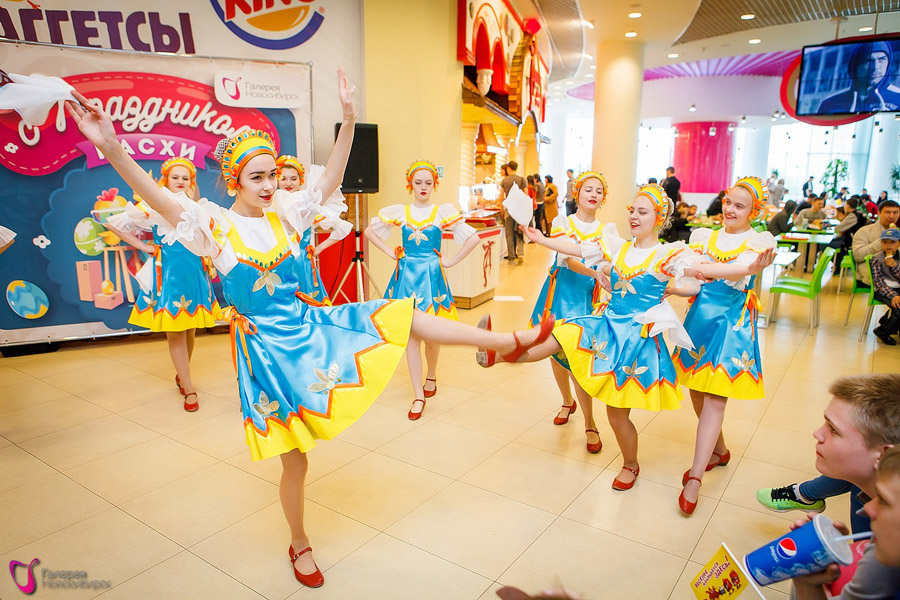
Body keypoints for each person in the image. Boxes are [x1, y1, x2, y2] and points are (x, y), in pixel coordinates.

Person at [67, 73, 554, 589]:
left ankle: (505, 343)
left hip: (309, 327)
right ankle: (299, 541)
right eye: (256, 177)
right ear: (234, 182)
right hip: (265, 354)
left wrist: (348, 118)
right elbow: (157, 196)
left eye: (271, 175)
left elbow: (332, 178)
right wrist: (112, 146)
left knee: (400, 314)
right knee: (295, 463)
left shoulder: (289, 216)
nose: (269, 185)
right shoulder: (214, 228)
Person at [512, 184, 773, 493]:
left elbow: (705, 270)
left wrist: (749, 267)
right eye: (632, 210)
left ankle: (684, 473)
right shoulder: (633, 244)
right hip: (650, 323)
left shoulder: (674, 252)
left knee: (707, 399)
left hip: (707, 328)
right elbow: (579, 250)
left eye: (642, 211)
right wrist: (541, 238)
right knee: (564, 335)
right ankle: (505, 351)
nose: (729, 209)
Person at [672, 176, 777, 515]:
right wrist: (679, 282)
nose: (730, 209)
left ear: (753, 211)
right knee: (697, 390)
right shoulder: (705, 236)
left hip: (732, 323)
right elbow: (690, 275)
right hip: (700, 317)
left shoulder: (759, 241)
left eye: (740, 206)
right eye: (729, 201)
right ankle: (719, 450)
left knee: (716, 397)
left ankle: (695, 478)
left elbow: (737, 270)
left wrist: (702, 268)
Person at [365, 160, 481, 420]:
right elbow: (370, 232)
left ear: (434, 184)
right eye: (418, 182)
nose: (423, 187)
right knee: (411, 337)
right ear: (410, 185)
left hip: (432, 278)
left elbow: (473, 238)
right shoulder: (402, 212)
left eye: (428, 182)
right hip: (406, 278)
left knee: (432, 336)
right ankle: (418, 395)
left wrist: (449, 262)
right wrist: (392, 254)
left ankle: (431, 374)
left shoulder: (442, 212)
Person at [105, 156, 221, 412]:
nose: (180, 181)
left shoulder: (196, 207)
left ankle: (183, 375)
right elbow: (114, 224)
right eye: (175, 176)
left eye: (185, 177)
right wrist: (143, 245)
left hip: (194, 273)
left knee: (190, 328)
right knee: (175, 330)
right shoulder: (154, 204)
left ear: (191, 181)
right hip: (168, 275)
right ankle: (189, 387)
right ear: (165, 179)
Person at [784, 374, 900, 600]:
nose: (817, 434)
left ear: (883, 455)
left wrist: (806, 583)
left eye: (834, 429)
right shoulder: (881, 515)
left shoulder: (889, 537)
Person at [529, 171, 611, 453]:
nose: (593, 194)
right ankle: (567, 401)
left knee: (579, 361)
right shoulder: (563, 222)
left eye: (599, 191)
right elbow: (567, 259)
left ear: (603, 198)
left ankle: (590, 423)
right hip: (561, 293)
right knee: (556, 352)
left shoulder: (606, 232)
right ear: (577, 193)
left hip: (587, 298)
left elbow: (608, 265)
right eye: (588, 189)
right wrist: (595, 272)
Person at [276, 155, 350, 306]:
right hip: (277, 261)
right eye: (283, 179)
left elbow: (342, 227)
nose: (288, 183)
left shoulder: (308, 205)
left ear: (301, 180)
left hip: (301, 263)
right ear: (276, 180)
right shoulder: (271, 204)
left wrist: (319, 248)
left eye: (293, 179)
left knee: (307, 304)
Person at [818, 41, 900, 114]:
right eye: (868, 60)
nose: (875, 67)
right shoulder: (829, 104)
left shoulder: (898, 97)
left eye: (882, 59)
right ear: (855, 65)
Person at [852, 200, 900, 286]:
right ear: (879, 213)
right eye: (887, 212)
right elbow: (857, 255)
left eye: (895, 212)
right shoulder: (864, 231)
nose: (891, 216)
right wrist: (882, 242)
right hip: (873, 278)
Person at [869, 225, 900, 345]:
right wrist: (893, 296)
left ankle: (887, 319)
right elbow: (878, 283)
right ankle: (882, 331)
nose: (888, 245)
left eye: (892, 242)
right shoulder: (876, 259)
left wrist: (895, 267)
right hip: (883, 291)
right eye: (885, 242)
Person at [499, 161, 528, 264]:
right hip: (519, 209)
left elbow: (501, 197)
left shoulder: (504, 181)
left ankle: (511, 255)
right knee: (519, 231)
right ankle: (520, 253)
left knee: (509, 233)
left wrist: (501, 208)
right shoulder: (522, 179)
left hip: (509, 209)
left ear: (508, 169)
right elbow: (526, 195)